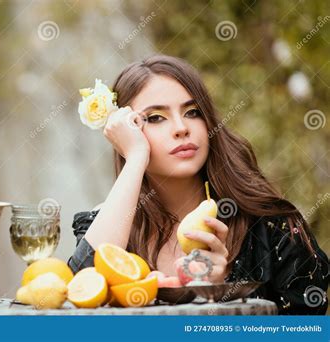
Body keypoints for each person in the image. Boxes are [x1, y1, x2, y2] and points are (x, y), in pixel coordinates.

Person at [67, 55, 328, 315]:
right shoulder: (106, 226)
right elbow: (79, 306)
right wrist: (134, 157)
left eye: (193, 112)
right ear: (126, 133)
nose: (181, 128)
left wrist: (220, 294)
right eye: (155, 117)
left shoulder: (273, 226)